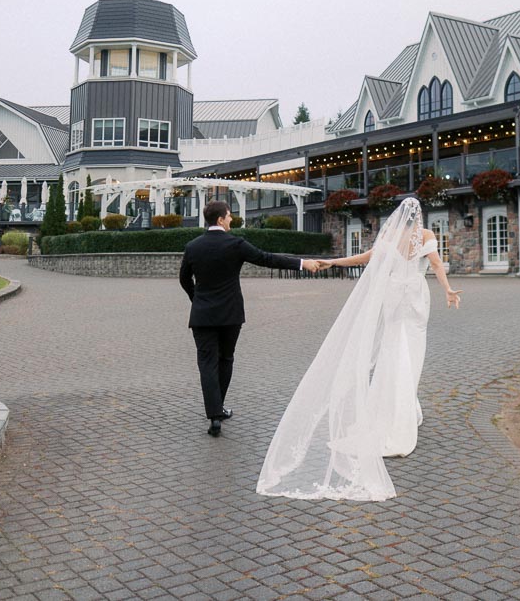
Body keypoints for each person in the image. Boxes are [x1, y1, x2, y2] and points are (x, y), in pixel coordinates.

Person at [256, 197, 461, 501]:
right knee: (410, 355)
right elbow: (435, 265)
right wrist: (447, 289)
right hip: (415, 299)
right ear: (418, 217)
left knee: (394, 352)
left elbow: (365, 258)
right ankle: (401, 414)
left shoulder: (391, 237)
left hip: (394, 300)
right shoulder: (427, 236)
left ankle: (402, 407)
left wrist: (334, 261)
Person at [179, 200, 321, 437]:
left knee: (206, 364)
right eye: (229, 216)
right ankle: (218, 410)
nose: (231, 219)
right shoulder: (235, 244)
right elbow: (267, 258)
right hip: (230, 315)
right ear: (221, 219)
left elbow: (184, 279)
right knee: (225, 359)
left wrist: (197, 300)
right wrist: (301, 263)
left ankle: (215, 415)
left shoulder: (193, 246)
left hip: (202, 315)